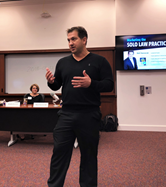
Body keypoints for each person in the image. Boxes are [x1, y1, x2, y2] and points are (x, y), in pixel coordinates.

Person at [45, 26, 114, 186]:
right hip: (66, 114)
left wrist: (91, 83)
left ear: (84, 40)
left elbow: (109, 85)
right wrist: (50, 82)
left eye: (74, 39)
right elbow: (57, 86)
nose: (70, 43)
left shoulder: (99, 61)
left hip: (89, 115)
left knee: (89, 156)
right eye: (68, 40)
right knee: (59, 154)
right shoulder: (62, 63)